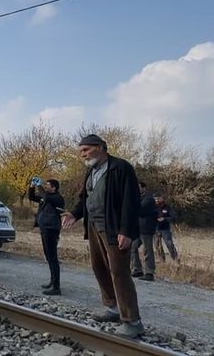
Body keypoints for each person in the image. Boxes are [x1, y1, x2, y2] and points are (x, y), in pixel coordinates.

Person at [61, 134, 144, 338]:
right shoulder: (91, 172)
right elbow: (85, 199)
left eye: (85, 150)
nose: (82, 155)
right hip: (93, 226)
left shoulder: (121, 168)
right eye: (81, 151)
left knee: (119, 271)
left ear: (100, 147)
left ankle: (132, 321)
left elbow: (130, 202)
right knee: (99, 266)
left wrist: (126, 231)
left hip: (114, 229)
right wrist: (74, 214)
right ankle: (112, 308)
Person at [27, 178, 65, 295]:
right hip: (45, 229)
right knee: (48, 257)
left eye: (48, 185)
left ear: (54, 188)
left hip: (51, 229)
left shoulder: (57, 198)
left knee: (53, 257)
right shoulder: (46, 197)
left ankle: (56, 287)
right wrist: (32, 186)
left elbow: (46, 196)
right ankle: (52, 281)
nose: (46, 186)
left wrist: (40, 187)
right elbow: (32, 197)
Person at [130, 182, 159, 281]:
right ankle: (137, 269)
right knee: (132, 247)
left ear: (144, 188)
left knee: (147, 250)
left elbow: (140, 210)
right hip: (138, 228)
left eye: (138, 187)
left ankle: (149, 272)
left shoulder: (149, 199)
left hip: (146, 228)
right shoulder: (137, 198)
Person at [154, 195, 179, 262]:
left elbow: (174, 217)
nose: (158, 201)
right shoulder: (154, 208)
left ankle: (176, 258)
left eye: (159, 199)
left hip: (165, 229)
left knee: (169, 244)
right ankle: (162, 260)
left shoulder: (168, 208)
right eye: (156, 200)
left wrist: (164, 219)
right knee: (157, 245)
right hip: (156, 229)